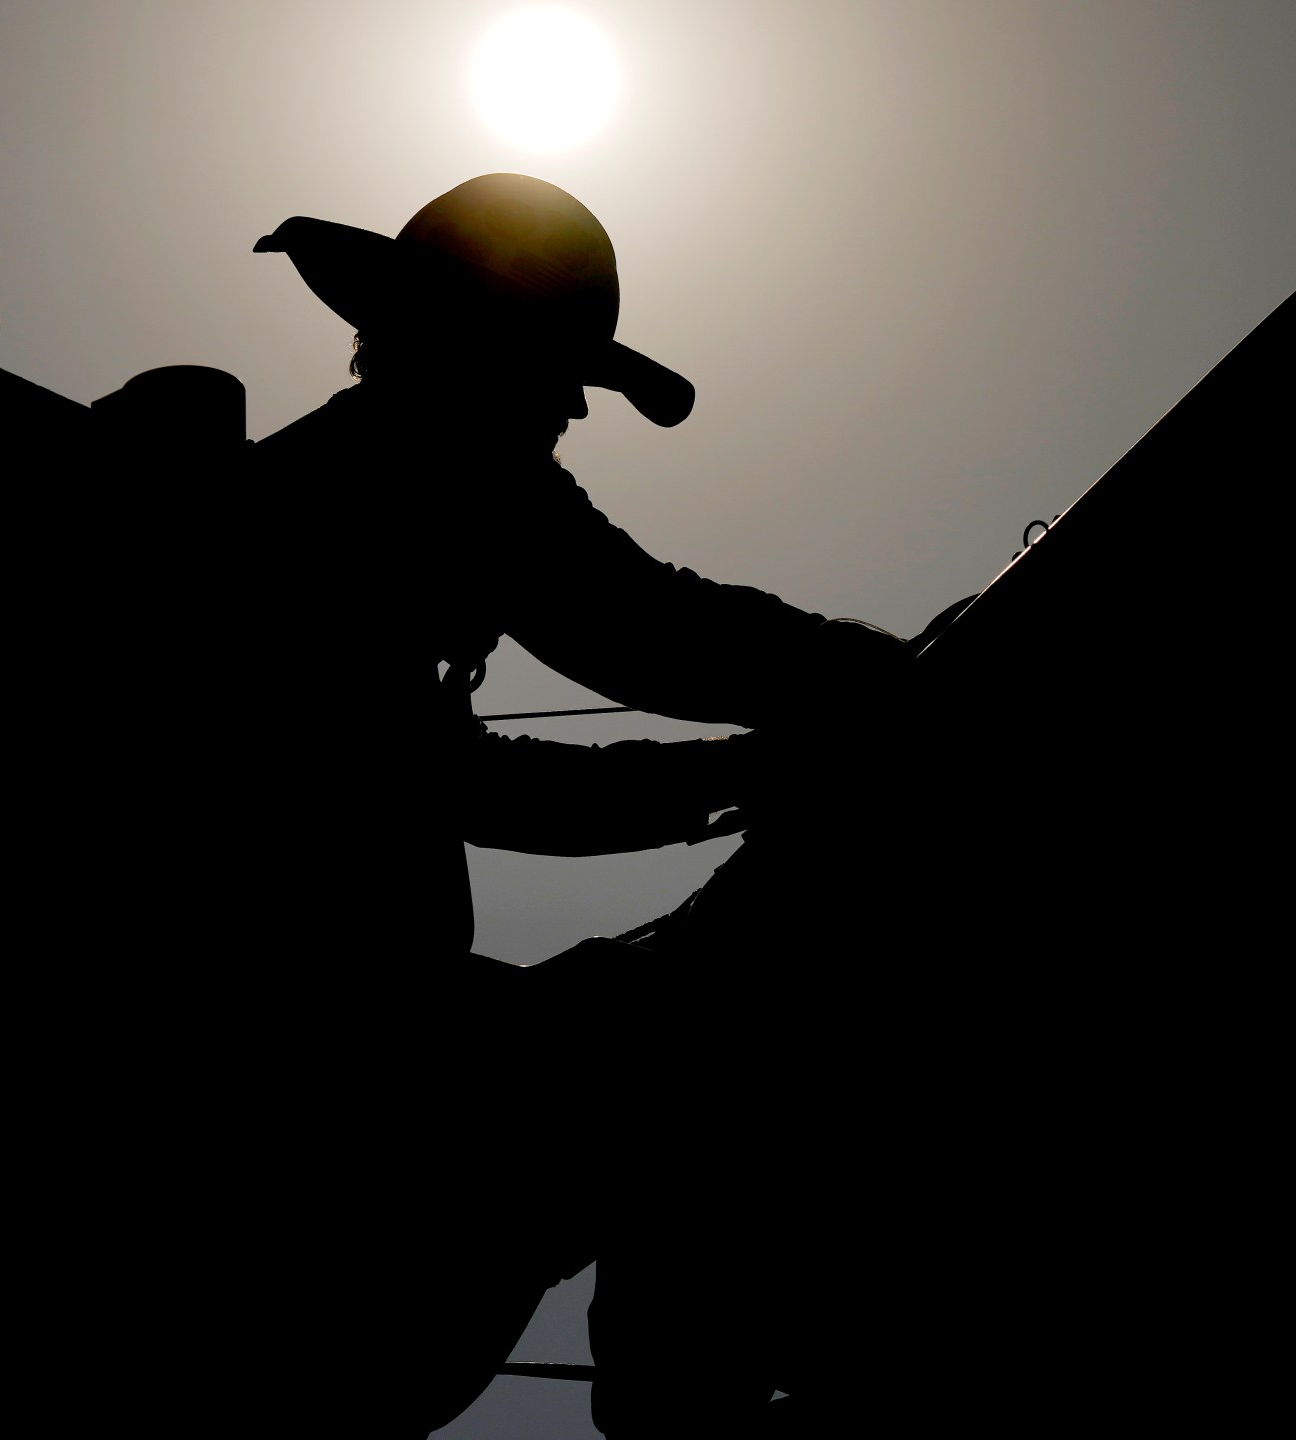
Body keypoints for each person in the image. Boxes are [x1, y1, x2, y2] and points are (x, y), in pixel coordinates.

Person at [235, 173, 907, 1436]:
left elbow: (479, 755)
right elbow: (645, 630)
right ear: (467, 353)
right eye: (552, 378)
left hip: (346, 1019)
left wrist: (737, 767)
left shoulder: (367, 471)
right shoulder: (434, 467)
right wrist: (871, 695)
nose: (562, 413)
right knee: (687, 1046)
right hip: (312, 1039)